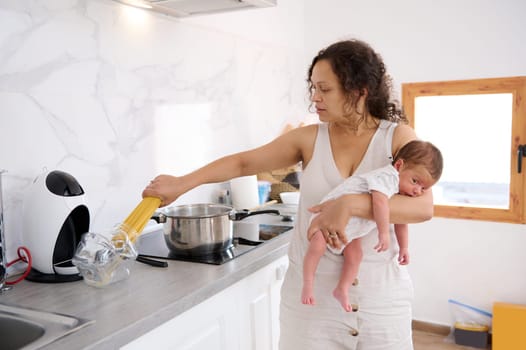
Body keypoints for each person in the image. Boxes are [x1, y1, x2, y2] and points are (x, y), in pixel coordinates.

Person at [143, 39, 434, 349]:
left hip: (382, 301)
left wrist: (350, 204)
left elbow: (423, 208)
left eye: (325, 89)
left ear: (359, 90)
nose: (315, 97)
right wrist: (181, 182)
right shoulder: (309, 138)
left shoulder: (397, 137)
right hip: (312, 303)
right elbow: (244, 162)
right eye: (313, 88)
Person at [302, 140, 443, 312]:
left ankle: (342, 289)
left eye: (423, 188)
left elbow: (401, 219)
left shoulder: (402, 190)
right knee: (317, 245)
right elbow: (379, 204)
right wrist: (383, 234)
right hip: (329, 216)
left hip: (353, 227)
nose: (417, 191)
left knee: (355, 256)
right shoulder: (388, 177)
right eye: (415, 181)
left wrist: (404, 247)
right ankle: (308, 284)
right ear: (399, 166)